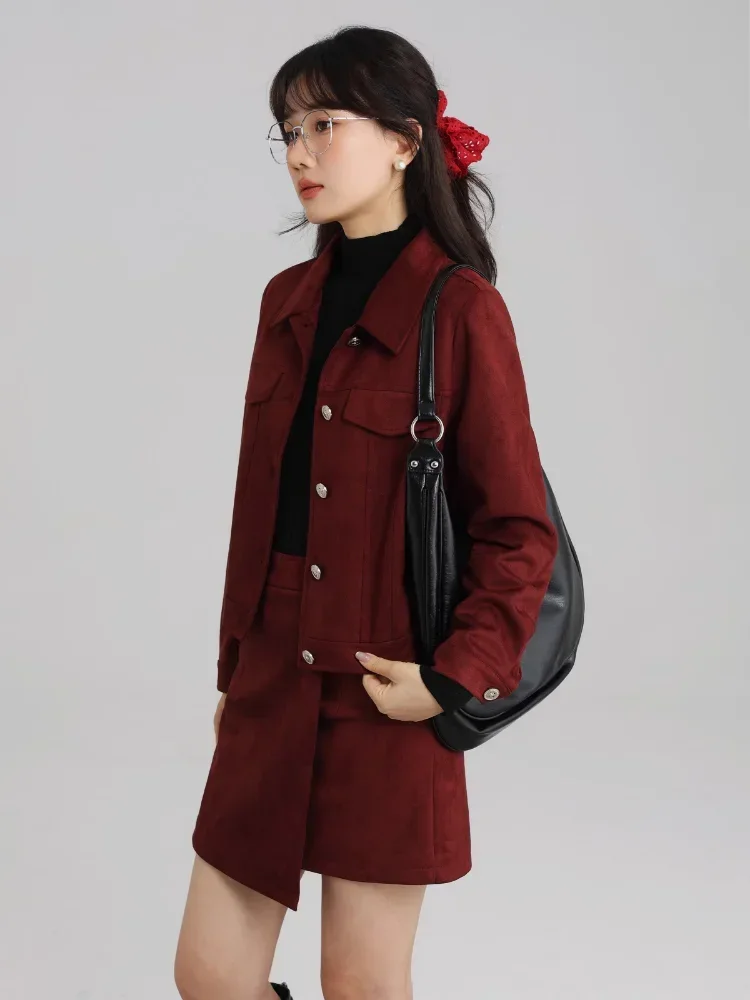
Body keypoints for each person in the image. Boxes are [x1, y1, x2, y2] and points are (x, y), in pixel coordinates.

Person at [174, 24, 557, 1000]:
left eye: (324, 124)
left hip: (389, 688)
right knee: (208, 977)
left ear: (403, 140)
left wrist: (454, 676)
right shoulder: (286, 301)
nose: (298, 152)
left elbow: (518, 530)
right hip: (272, 672)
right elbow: (260, 505)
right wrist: (236, 665)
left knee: (363, 987)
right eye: (288, 129)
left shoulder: (460, 309)